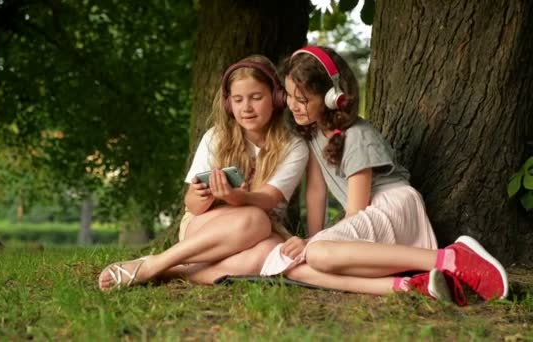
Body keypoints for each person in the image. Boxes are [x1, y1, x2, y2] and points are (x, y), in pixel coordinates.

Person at [259, 46, 508, 305]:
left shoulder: (356, 135)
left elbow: (357, 209)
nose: (292, 106)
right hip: (369, 216)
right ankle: (410, 286)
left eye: (303, 100)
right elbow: (316, 191)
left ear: (333, 97)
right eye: (289, 96)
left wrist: (312, 243)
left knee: (318, 254)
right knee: (296, 267)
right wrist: (310, 240)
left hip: (392, 207)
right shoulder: (312, 134)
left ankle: (451, 258)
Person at [98, 55, 309, 290]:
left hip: (261, 232)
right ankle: (153, 265)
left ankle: (172, 272)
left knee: (273, 254)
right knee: (255, 219)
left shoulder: (294, 146)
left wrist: (237, 197)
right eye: (238, 100)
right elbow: (193, 205)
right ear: (229, 104)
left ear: (277, 99)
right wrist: (203, 196)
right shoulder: (216, 137)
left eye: (256, 98)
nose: (246, 108)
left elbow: (269, 199)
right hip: (205, 228)